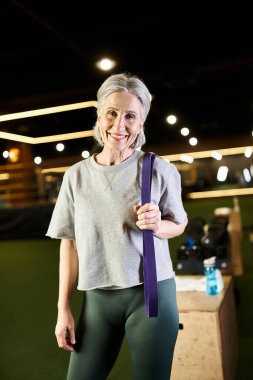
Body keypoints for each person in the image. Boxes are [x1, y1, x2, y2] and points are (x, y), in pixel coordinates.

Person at [46, 72, 188, 380]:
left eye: (130, 117)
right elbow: (69, 243)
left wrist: (157, 225)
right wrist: (63, 309)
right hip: (97, 301)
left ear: (140, 124)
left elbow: (178, 224)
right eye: (111, 113)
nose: (119, 125)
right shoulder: (75, 176)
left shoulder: (158, 169)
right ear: (99, 116)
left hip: (151, 296)